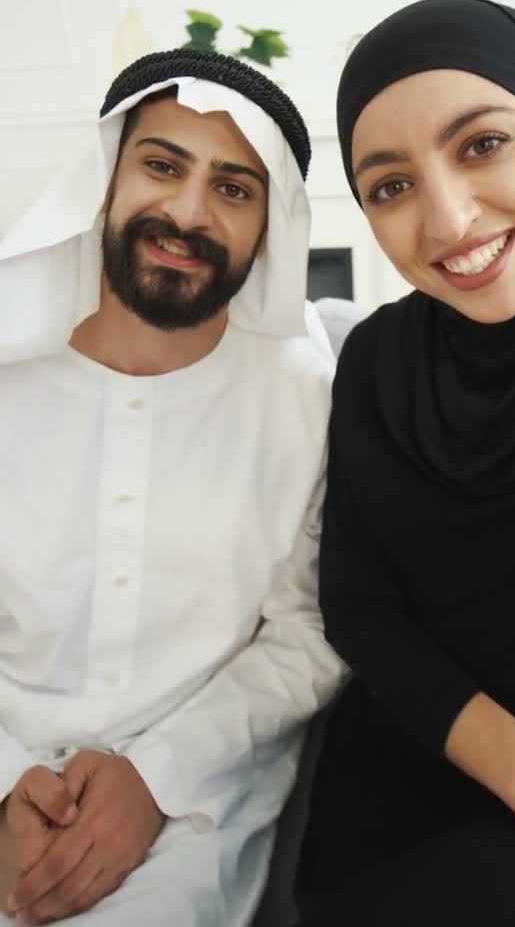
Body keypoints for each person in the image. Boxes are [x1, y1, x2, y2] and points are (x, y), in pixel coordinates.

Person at [0, 48, 343, 927]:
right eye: (162, 166)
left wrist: (158, 776)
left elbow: (310, 632)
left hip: (192, 805)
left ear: (269, 228)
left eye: (233, 189)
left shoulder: (310, 401)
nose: (186, 214)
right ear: (106, 183)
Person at [296, 0, 515, 927]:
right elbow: (359, 601)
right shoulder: (377, 362)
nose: (449, 217)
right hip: (422, 767)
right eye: (390, 185)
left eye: (481, 144)